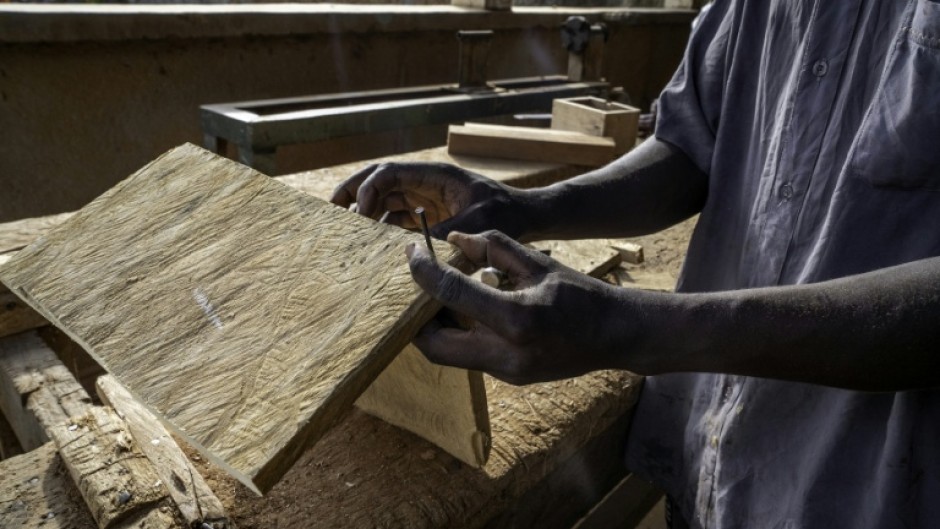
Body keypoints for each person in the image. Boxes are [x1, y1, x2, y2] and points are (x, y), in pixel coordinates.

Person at [332, 1, 940, 527]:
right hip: (705, 457)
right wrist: (521, 205)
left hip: (867, 490)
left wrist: (631, 329)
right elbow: (690, 145)